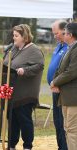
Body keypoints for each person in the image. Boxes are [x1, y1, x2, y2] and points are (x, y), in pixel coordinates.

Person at [3, 24, 44, 150]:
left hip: (25, 95)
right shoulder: (14, 48)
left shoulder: (34, 50)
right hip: (11, 93)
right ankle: (12, 145)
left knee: (24, 120)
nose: (13, 38)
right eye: (13, 35)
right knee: (12, 121)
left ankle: (27, 146)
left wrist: (24, 70)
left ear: (24, 36)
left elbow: (39, 66)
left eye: (16, 36)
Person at [50, 22, 77, 150]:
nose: (63, 34)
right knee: (67, 128)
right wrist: (54, 81)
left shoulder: (76, 49)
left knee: (72, 130)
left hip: (73, 98)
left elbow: (71, 72)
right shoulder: (69, 47)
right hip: (66, 96)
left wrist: (55, 82)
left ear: (70, 35)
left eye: (65, 33)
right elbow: (60, 69)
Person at [47, 20, 68, 150]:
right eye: (53, 33)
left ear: (65, 31)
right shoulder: (59, 45)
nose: (55, 36)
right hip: (54, 90)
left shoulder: (69, 47)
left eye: (57, 33)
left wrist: (57, 82)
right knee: (57, 121)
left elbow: (67, 70)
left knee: (63, 121)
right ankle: (60, 146)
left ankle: (65, 147)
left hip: (62, 90)